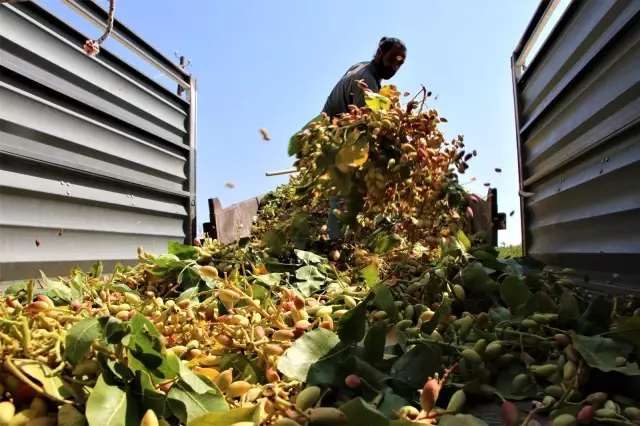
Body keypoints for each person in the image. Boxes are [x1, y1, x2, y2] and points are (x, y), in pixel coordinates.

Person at [322, 37, 407, 240]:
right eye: (392, 60)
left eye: (400, 63)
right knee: (344, 192)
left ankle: (346, 235)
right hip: (336, 138)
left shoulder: (360, 67)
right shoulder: (366, 82)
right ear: (379, 53)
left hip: (335, 132)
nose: (395, 66)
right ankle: (335, 243)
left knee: (350, 188)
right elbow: (365, 127)